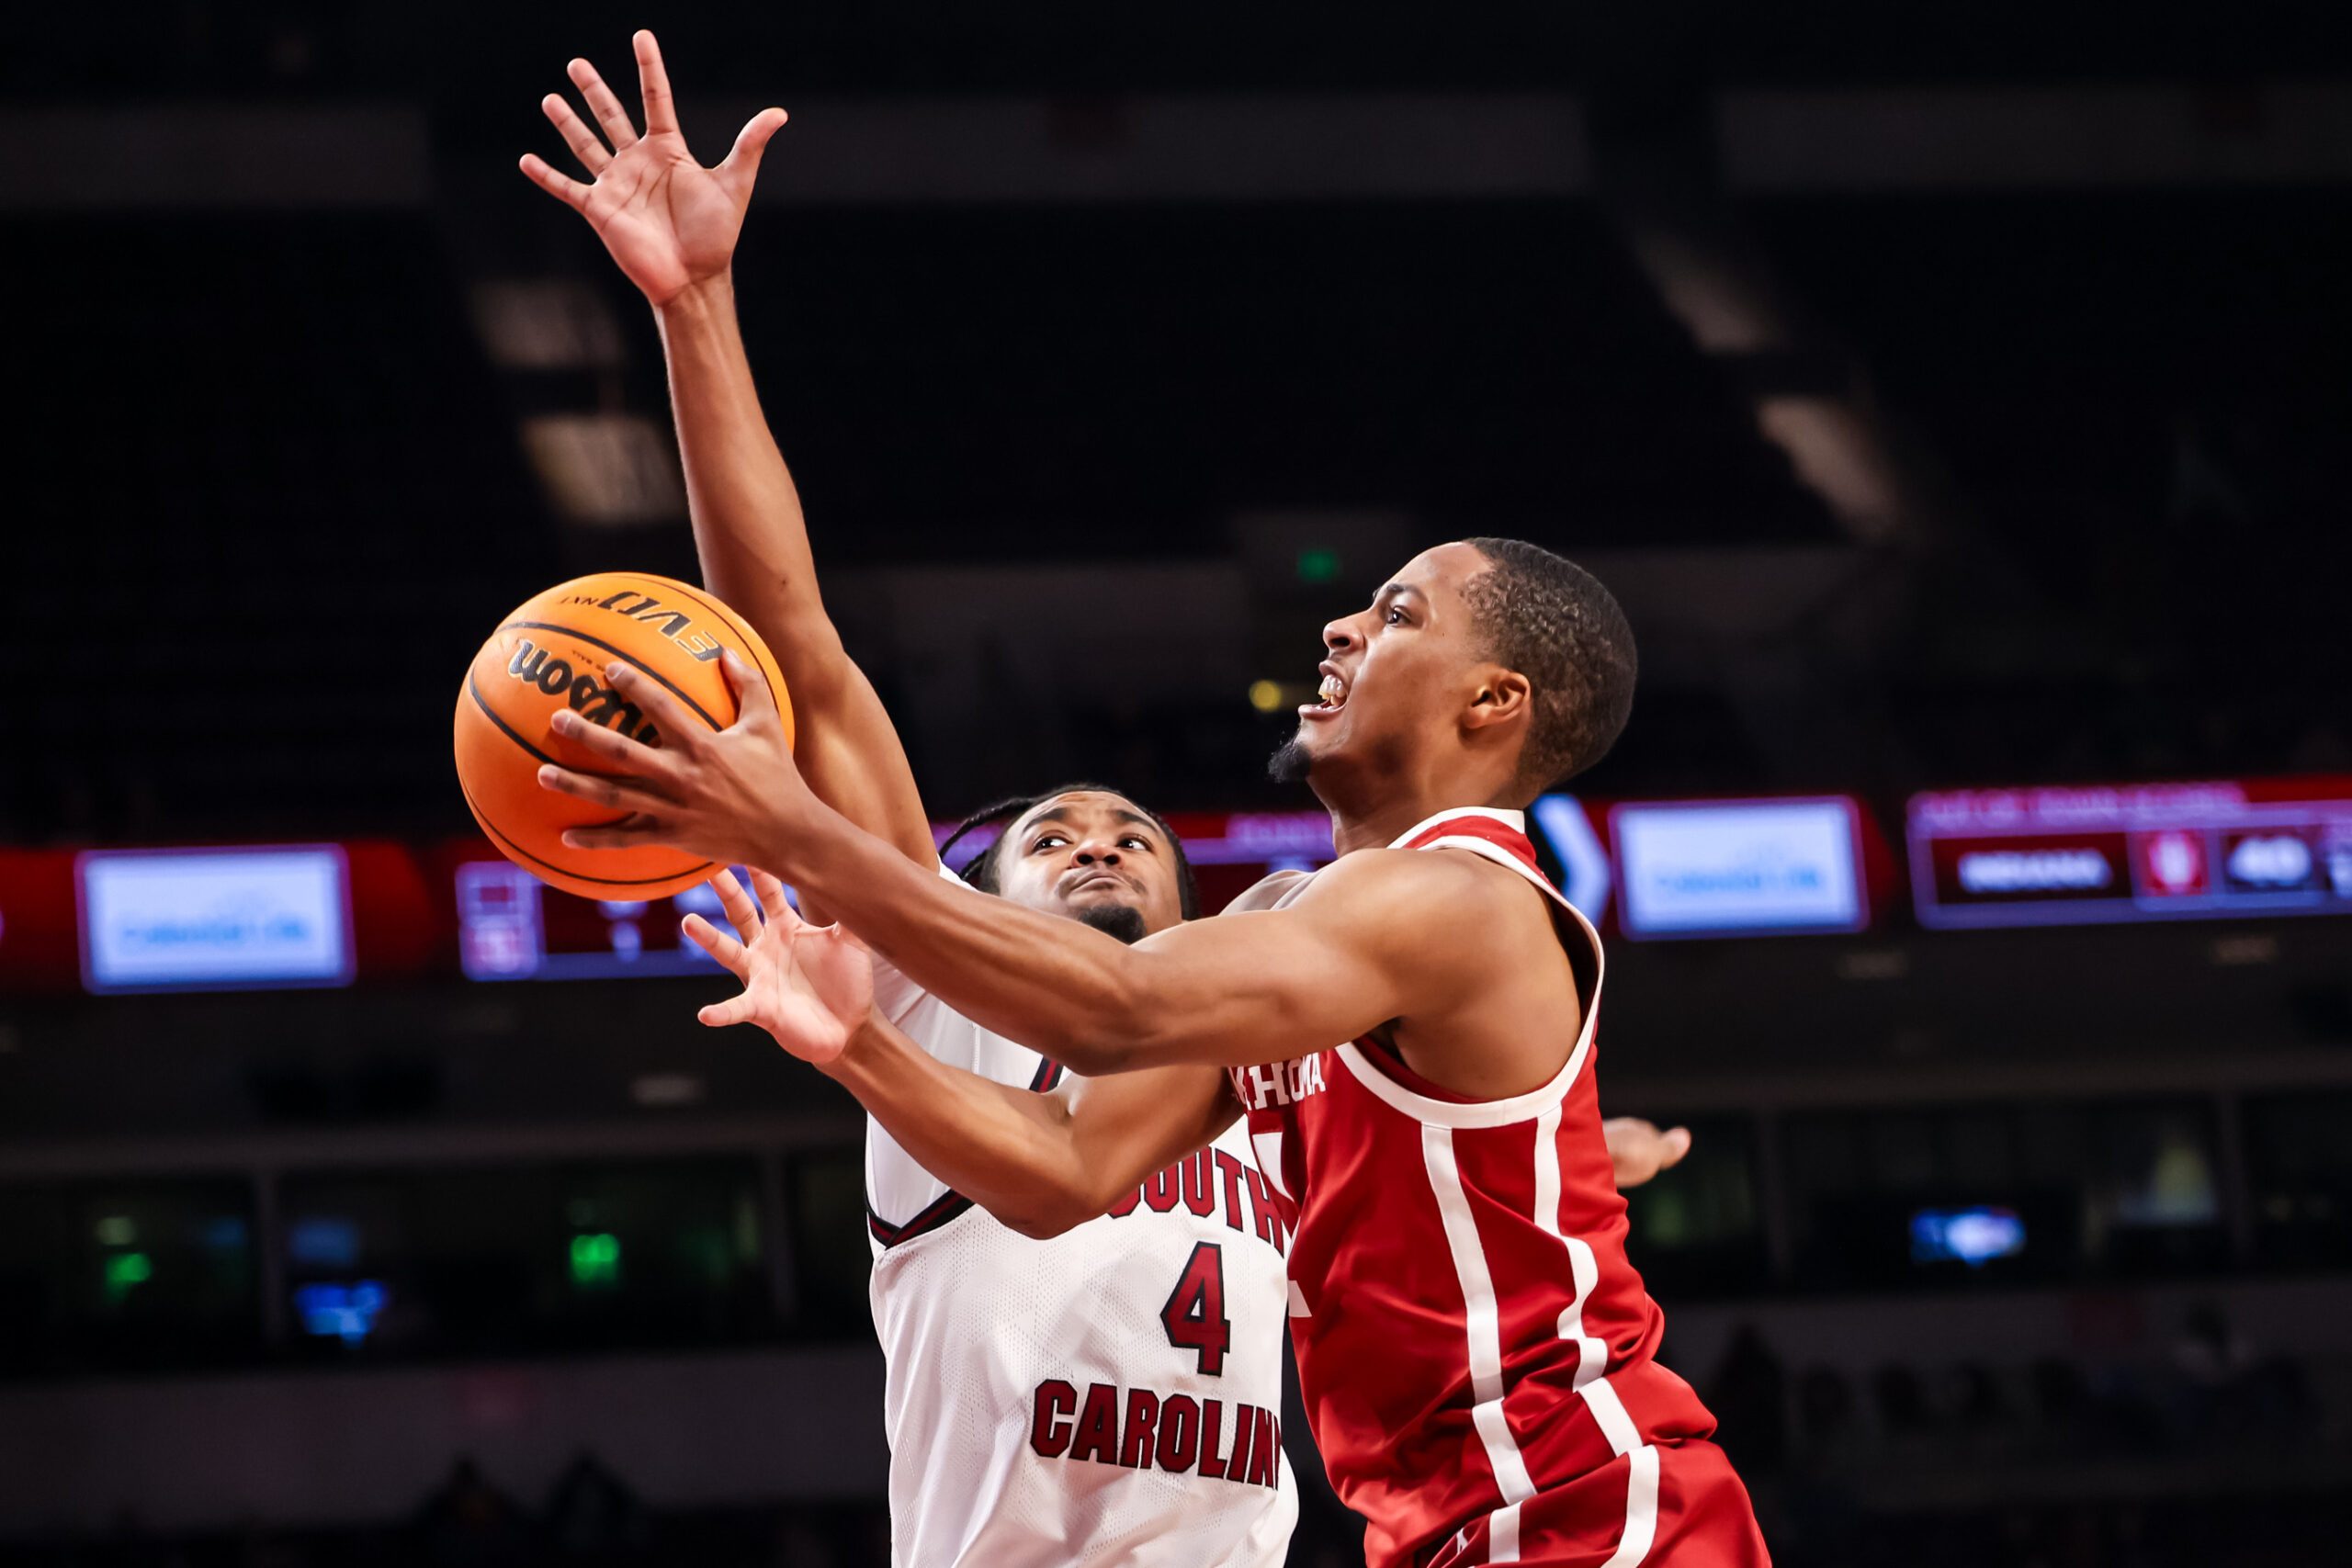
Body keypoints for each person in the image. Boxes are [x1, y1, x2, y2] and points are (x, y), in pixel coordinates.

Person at [519, 33, 1692, 1568]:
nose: (1342, 626)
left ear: (1494, 705)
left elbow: (1122, 1015)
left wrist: (788, 838)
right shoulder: (1215, 973)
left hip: (1576, 1523)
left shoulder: (1431, 907)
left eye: (1397, 615)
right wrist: (693, 307)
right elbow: (1063, 1159)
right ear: (975, 888)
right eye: (1049, 833)